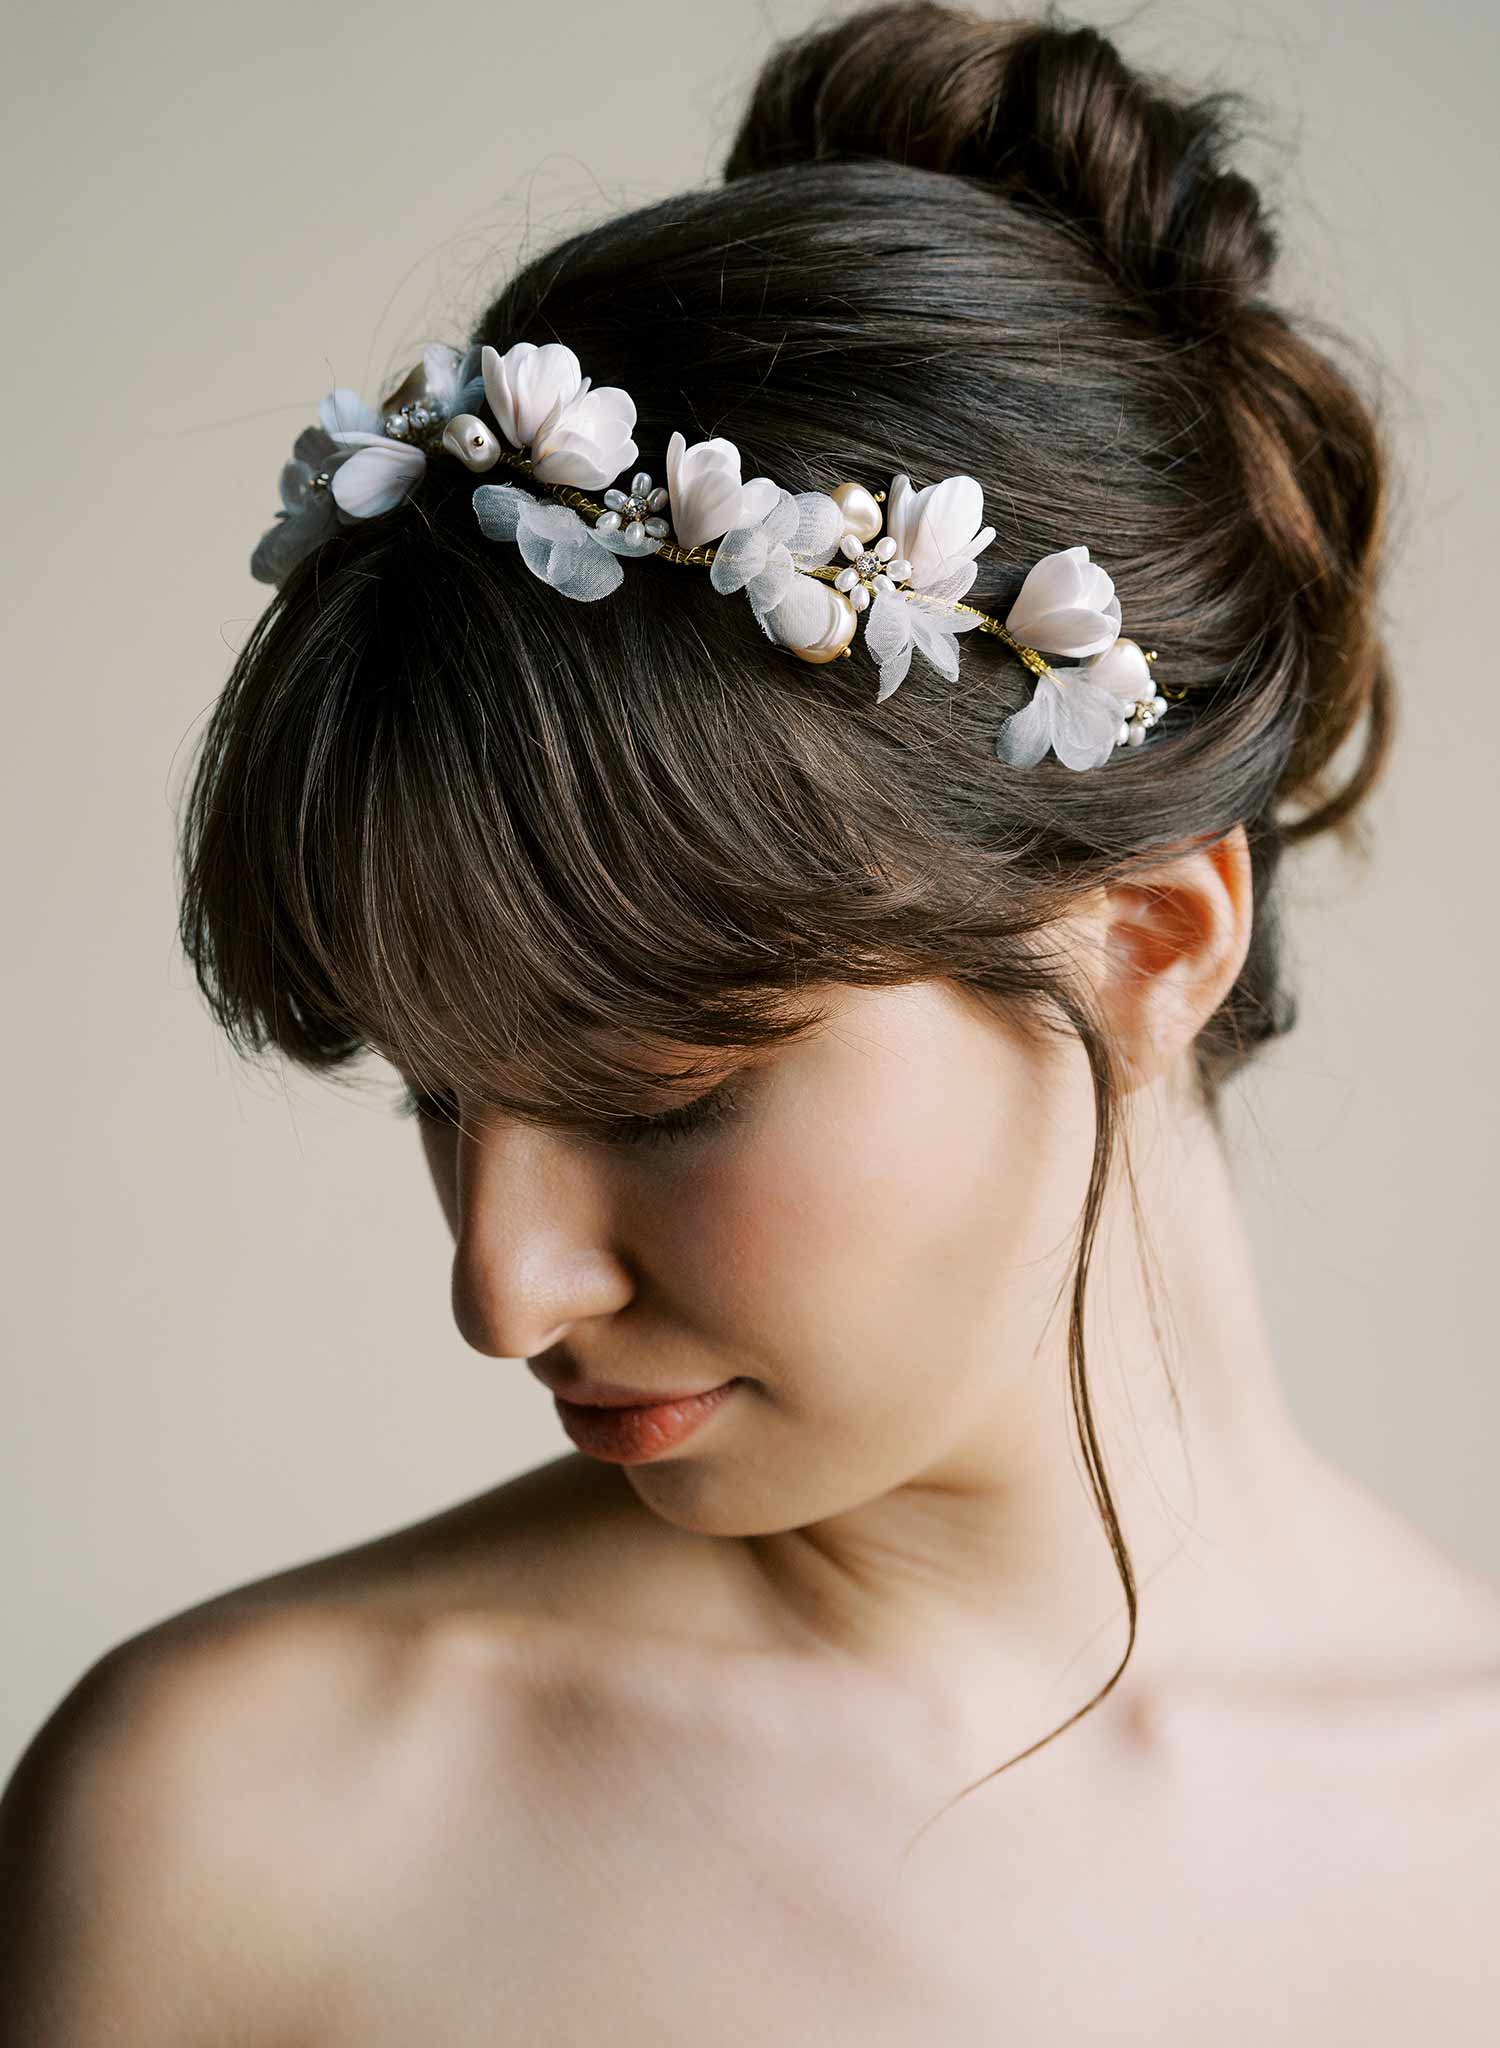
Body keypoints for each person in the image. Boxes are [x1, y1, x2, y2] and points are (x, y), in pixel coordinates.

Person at [4, 4, 1497, 2041]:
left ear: (1151, 943)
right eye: (444, 1093)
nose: (503, 1287)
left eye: (665, 1094)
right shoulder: (244, 1824)